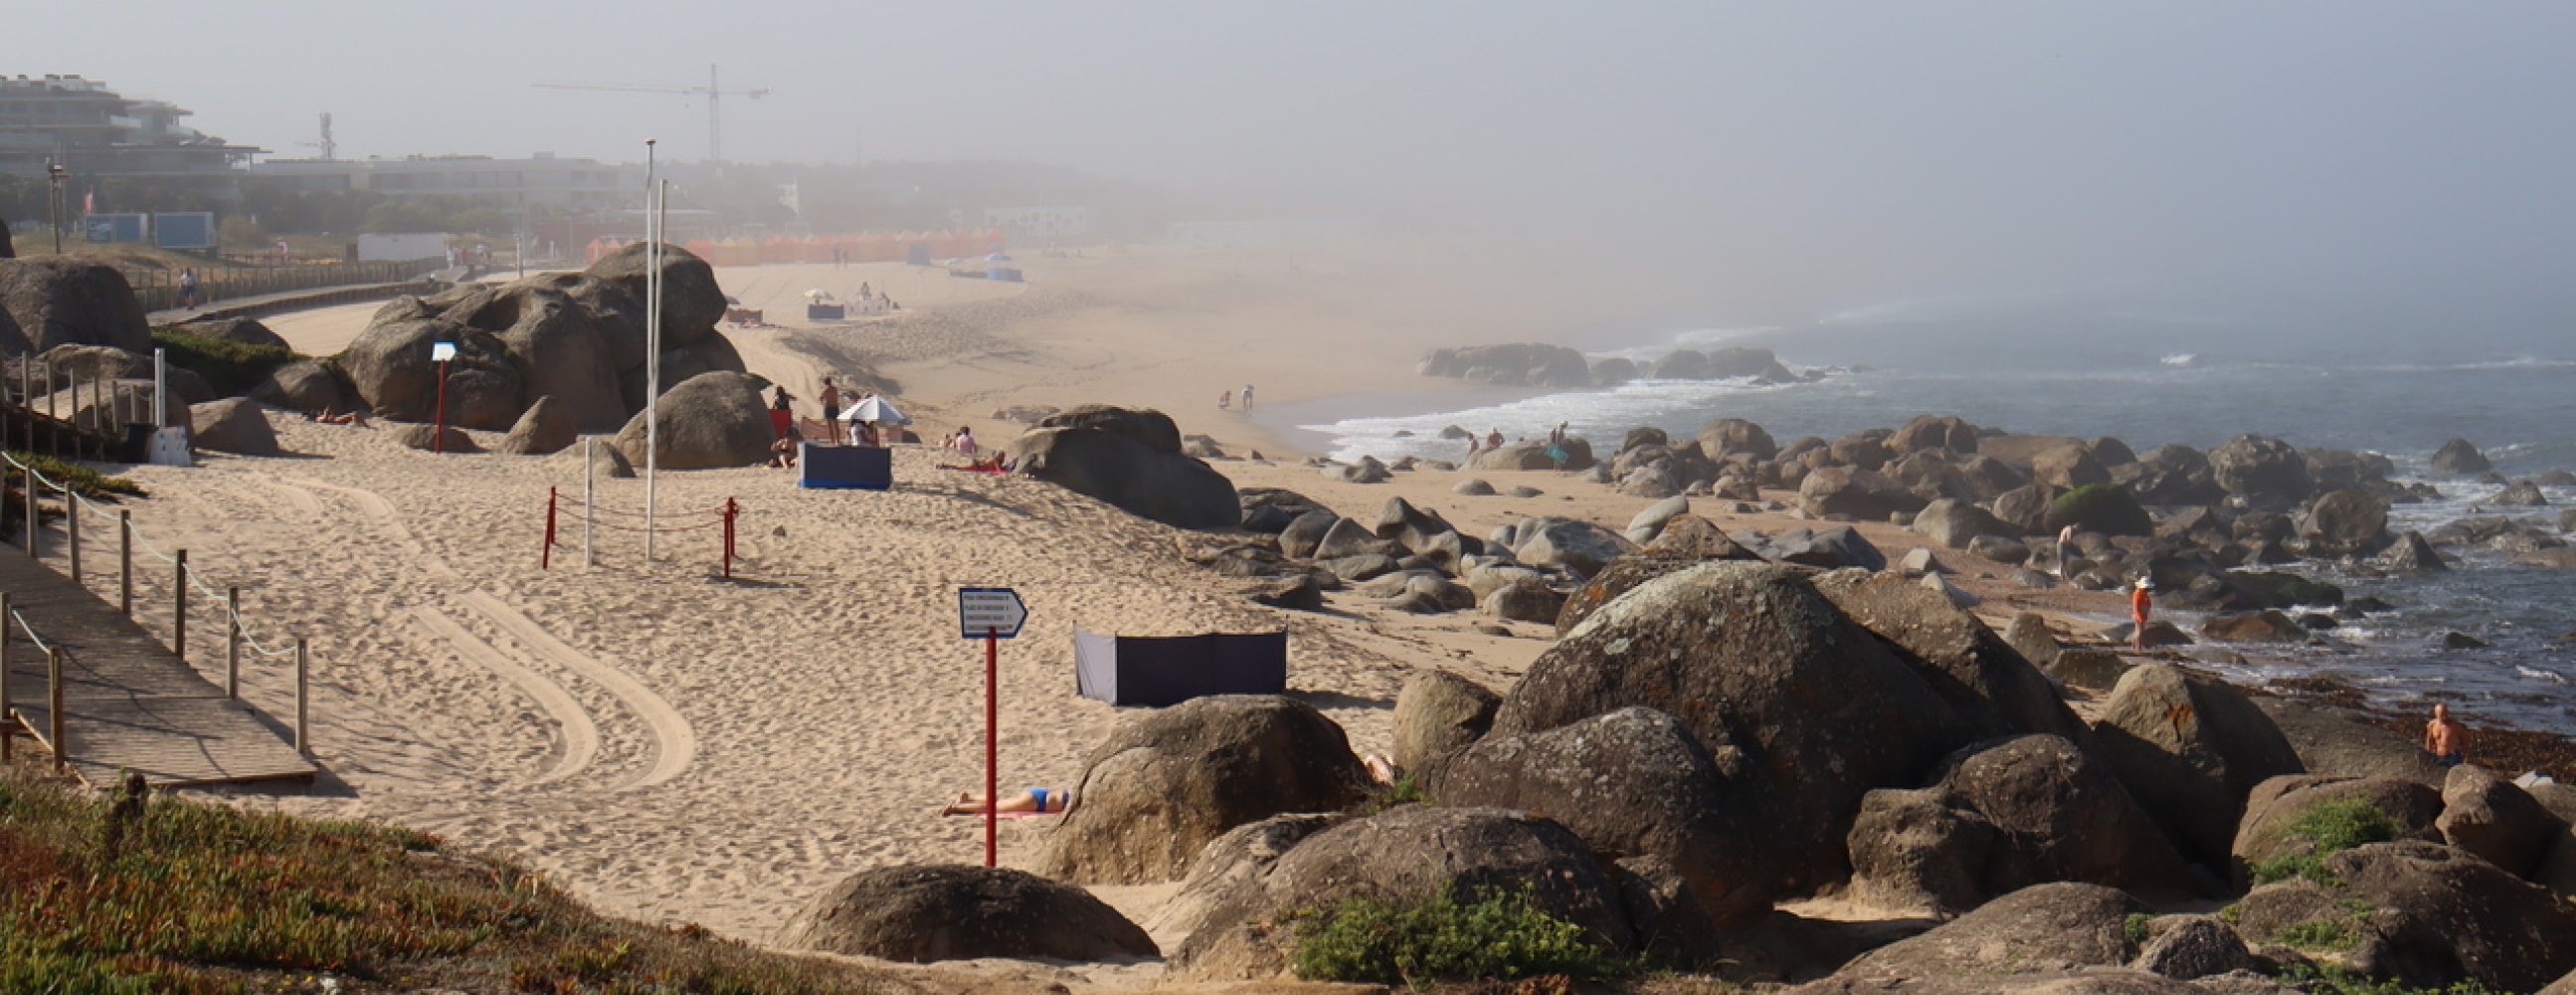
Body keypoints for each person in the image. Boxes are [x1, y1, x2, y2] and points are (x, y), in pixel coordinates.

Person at [942, 787, 1070, 816]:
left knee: (1002, 802)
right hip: (1037, 802)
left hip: (1040, 794)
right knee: (995, 807)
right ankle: (956, 808)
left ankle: (969, 799)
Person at [2129, 578, 2155, 650]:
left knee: (2139, 629)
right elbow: (2135, 605)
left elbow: (2148, 603)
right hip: (2138, 613)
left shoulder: (2144, 593)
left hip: (2142, 613)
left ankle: (2135, 645)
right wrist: (2138, 614)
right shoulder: (2138, 593)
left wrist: (2147, 609)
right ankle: (2138, 646)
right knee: (2139, 630)